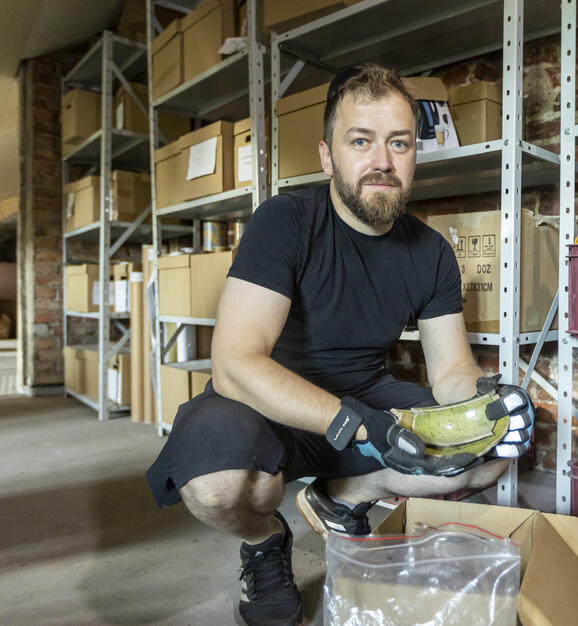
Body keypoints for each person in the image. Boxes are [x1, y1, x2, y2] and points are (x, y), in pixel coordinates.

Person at [145, 64, 534, 626]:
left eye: (399, 143)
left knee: (487, 455)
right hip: (264, 402)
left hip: (365, 397)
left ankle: (343, 494)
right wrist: (358, 425)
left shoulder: (430, 252)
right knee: (216, 483)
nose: (382, 161)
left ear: (413, 153)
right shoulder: (284, 221)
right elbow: (234, 364)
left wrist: (489, 402)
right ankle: (264, 540)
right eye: (361, 141)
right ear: (328, 156)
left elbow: (451, 369)